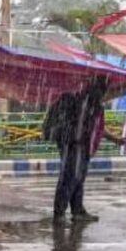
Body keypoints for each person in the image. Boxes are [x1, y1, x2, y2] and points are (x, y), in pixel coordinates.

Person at [45, 76, 110, 223]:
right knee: (71, 177)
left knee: (78, 177)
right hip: (73, 142)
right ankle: (60, 212)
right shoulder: (80, 100)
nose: (103, 94)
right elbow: (83, 125)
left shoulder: (89, 102)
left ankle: (77, 210)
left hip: (77, 143)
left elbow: (95, 127)